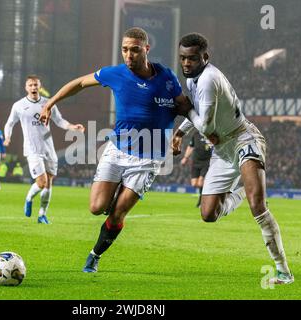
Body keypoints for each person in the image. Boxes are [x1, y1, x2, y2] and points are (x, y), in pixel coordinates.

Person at [39, 27, 193, 273]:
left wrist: (181, 133)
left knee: (118, 213)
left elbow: (183, 106)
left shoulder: (166, 77)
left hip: (149, 159)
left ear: (146, 49)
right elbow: (79, 83)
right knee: (96, 208)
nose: (128, 55)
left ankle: (94, 255)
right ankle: (116, 197)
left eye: (134, 50)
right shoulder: (115, 74)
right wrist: (50, 102)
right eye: (124, 50)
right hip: (117, 150)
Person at [171, 33, 294, 285]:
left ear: (205, 57)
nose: (186, 63)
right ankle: (242, 188)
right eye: (183, 58)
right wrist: (181, 132)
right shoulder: (194, 80)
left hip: (244, 139)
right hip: (223, 149)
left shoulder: (207, 80)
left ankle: (283, 271)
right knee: (208, 214)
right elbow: (201, 118)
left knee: (258, 206)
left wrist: (186, 112)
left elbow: (205, 125)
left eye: (192, 58)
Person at [4, 75, 85, 224]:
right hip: (32, 149)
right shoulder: (19, 105)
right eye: (30, 85)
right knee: (41, 182)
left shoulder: (49, 103)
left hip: (49, 148)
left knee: (49, 183)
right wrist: (7, 137)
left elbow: (59, 121)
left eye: (36, 85)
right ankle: (29, 198)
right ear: (26, 88)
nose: (34, 88)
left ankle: (42, 214)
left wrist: (72, 127)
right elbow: (9, 123)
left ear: (40, 87)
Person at [180, 128, 212, 207]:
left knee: (201, 182)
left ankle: (201, 201)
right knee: (194, 184)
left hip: (206, 162)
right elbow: (191, 146)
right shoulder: (196, 134)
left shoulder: (210, 134)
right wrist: (185, 158)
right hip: (195, 161)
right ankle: (205, 195)